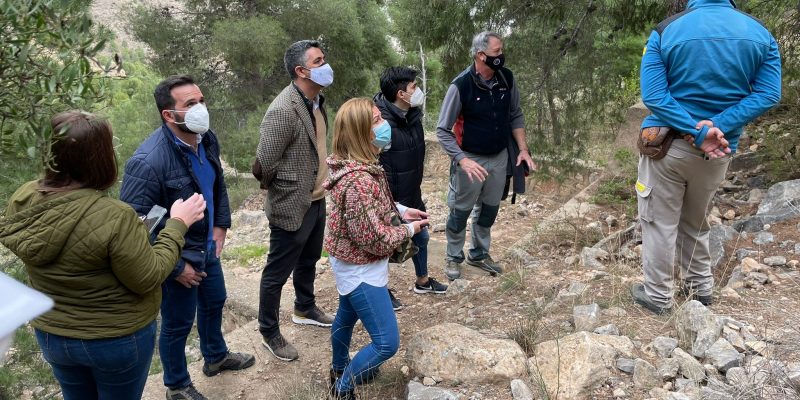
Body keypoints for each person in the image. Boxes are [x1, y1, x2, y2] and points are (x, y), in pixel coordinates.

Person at [0, 110, 207, 400]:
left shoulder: (24, 198)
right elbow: (147, 277)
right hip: (115, 337)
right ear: (99, 157)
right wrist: (177, 224)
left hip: (53, 333)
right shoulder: (115, 215)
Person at [632, 0, 781, 314]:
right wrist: (719, 127)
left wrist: (696, 131)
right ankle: (700, 289)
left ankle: (658, 297)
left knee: (658, 223)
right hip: (720, 150)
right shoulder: (760, 33)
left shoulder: (666, 30)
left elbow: (655, 95)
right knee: (696, 219)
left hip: (668, 147)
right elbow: (769, 93)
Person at [120, 76, 255, 400]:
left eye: (201, 100)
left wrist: (221, 225)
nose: (200, 109)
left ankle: (216, 357)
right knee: (178, 323)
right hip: (175, 257)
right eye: (190, 104)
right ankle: (177, 385)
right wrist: (177, 267)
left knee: (215, 301)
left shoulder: (206, 138)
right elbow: (134, 228)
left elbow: (217, 184)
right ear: (169, 115)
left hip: (207, 246)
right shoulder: (147, 162)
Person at [324, 98, 429, 400]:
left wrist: (402, 210)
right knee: (386, 343)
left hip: (350, 260)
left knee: (346, 315)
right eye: (374, 120)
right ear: (360, 132)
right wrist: (409, 229)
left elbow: (373, 207)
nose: (383, 125)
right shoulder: (357, 180)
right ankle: (343, 389)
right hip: (360, 265)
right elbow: (376, 239)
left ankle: (338, 367)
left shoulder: (361, 166)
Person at [253, 40, 335, 362]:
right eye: (319, 60)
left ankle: (304, 306)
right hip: (292, 204)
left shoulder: (316, 101)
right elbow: (263, 164)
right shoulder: (283, 110)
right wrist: (286, 190)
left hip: (317, 199)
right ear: (302, 71)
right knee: (277, 271)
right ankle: (269, 331)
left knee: (309, 259)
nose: (326, 65)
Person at [436, 31, 536, 281]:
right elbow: (442, 130)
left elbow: (516, 115)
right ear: (480, 55)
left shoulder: (507, 78)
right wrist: (462, 159)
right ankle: (453, 256)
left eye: (501, 51)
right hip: (469, 159)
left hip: (499, 157)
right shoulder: (460, 86)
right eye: (496, 52)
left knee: (490, 209)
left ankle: (479, 254)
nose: (501, 56)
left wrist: (523, 149)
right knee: (460, 211)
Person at [373, 66, 448, 310]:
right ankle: (381, 291)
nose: (418, 90)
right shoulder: (378, 123)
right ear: (401, 94)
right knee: (382, 247)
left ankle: (422, 281)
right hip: (389, 198)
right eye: (413, 87)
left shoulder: (413, 116)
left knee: (423, 236)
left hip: (412, 192)